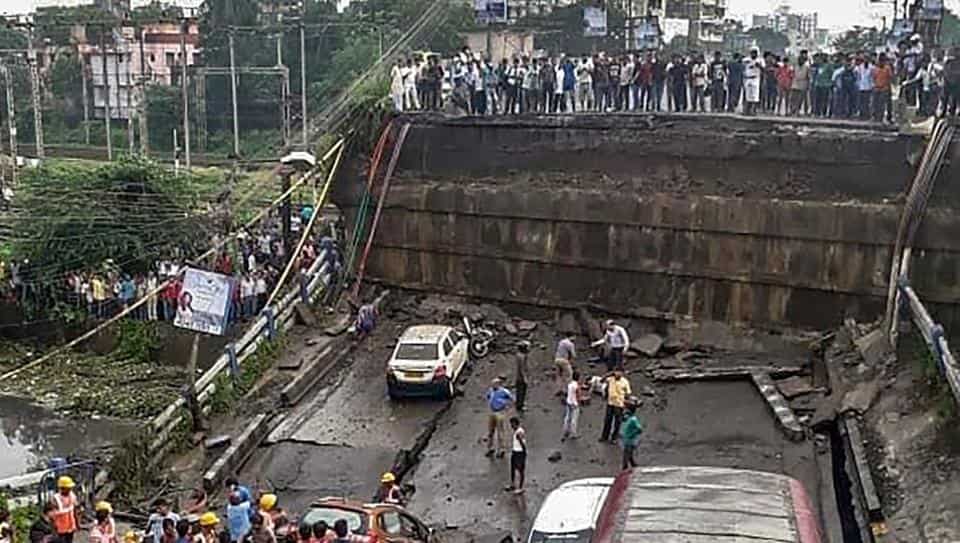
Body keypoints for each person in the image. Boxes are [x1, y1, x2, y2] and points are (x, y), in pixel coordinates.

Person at [599, 369, 632, 443]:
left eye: (619, 372)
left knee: (617, 422)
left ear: (622, 373)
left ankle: (614, 438)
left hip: (619, 404)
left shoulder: (625, 382)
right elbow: (601, 380)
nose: (617, 373)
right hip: (610, 403)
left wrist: (626, 403)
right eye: (616, 372)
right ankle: (604, 436)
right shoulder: (610, 379)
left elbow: (628, 393)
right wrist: (609, 374)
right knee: (607, 420)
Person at [485, 377, 514, 458]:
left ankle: (502, 449)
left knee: (500, 431)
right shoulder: (491, 391)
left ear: (499, 384)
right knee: (490, 431)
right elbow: (488, 396)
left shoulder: (504, 391)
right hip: (492, 411)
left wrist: (506, 406)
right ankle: (490, 448)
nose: (493, 386)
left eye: (494, 384)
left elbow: (511, 399)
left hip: (500, 412)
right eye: (492, 384)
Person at [51, 476, 80, 543]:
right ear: (62, 488)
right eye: (68, 488)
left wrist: (77, 523)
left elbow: (75, 510)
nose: (70, 489)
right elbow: (52, 514)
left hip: (70, 526)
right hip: (60, 529)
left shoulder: (72, 496)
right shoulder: (56, 499)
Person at [505, 416, 526, 494]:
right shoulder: (516, 431)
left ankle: (521, 487)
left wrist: (524, 453)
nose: (511, 426)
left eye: (512, 424)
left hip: (519, 452)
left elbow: (522, 443)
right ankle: (513, 484)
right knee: (513, 468)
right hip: (515, 451)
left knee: (520, 470)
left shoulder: (519, 432)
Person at [620, 401, 643, 470]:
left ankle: (625, 467)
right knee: (629, 453)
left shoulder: (633, 419)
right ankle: (633, 464)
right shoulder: (627, 418)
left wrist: (631, 434)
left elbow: (639, 429)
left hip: (630, 440)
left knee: (626, 454)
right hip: (626, 439)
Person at [872, 54, 895, 123]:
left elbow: (890, 78)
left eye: (883, 61)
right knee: (875, 103)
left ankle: (881, 118)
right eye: (880, 60)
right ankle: (875, 117)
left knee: (882, 104)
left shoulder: (887, 68)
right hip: (877, 88)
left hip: (884, 88)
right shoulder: (875, 68)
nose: (881, 62)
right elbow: (874, 78)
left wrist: (888, 87)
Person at [743, 49, 764, 115]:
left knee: (755, 96)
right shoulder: (747, 60)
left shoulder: (760, 60)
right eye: (752, 53)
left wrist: (759, 66)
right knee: (747, 95)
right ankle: (746, 110)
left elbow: (763, 69)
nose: (753, 55)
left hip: (755, 78)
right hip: (748, 78)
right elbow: (742, 63)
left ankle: (753, 111)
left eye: (754, 53)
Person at [554, 333, 576, 397]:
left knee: (559, 375)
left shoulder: (561, 341)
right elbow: (573, 355)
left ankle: (559, 389)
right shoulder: (570, 344)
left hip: (557, 359)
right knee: (569, 374)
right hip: (564, 360)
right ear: (571, 336)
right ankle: (566, 390)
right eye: (574, 337)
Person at [790, 50, 811, 116]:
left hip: (803, 84)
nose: (800, 61)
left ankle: (798, 111)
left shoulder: (807, 67)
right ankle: (792, 110)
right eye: (800, 59)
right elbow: (792, 73)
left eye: (802, 60)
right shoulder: (795, 65)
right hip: (795, 83)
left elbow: (808, 76)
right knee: (793, 98)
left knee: (800, 99)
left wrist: (808, 85)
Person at [562, 370, 580, 441]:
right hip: (574, 404)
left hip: (569, 402)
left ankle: (565, 431)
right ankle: (573, 433)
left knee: (567, 417)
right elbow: (578, 395)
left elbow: (567, 392)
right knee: (574, 419)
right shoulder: (577, 386)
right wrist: (578, 402)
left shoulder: (570, 384)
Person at [514, 341, 530, 412]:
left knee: (519, 391)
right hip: (521, 377)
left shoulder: (518, 355)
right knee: (522, 391)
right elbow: (522, 368)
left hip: (518, 376)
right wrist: (525, 378)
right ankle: (520, 405)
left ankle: (518, 404)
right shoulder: (522, 357)